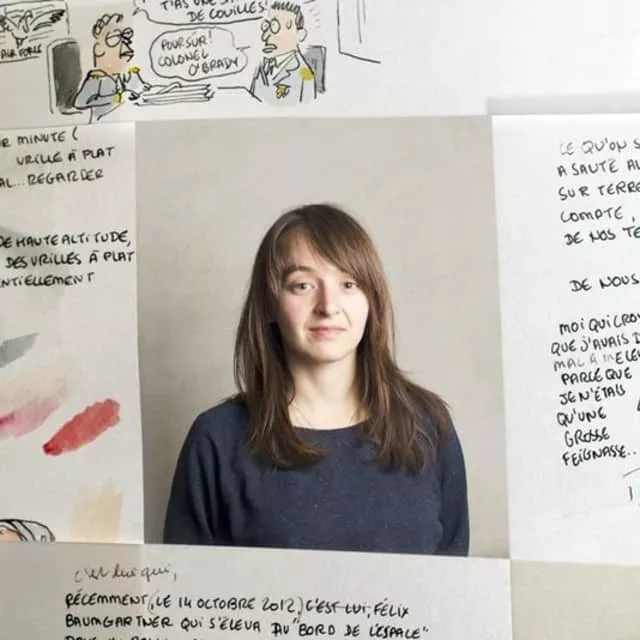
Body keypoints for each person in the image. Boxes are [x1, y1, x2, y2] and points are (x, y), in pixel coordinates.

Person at [163, 203, 469, 555]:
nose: (328, 306)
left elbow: (453, 578)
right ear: (269, 304)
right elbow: (185, 585)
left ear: (372, 301)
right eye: (302, 285)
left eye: (348, 284)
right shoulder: (216, 439)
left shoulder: (428, 427)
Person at [73, 13, 151, 122]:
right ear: (99, 51)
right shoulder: (97, 78)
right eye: (115, 41)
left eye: (125, 42)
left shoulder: (124, 74)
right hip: (102, 123)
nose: (127, 50)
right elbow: (80, 102)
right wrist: (117, 98)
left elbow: (137, 88)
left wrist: (143, 87)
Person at [250, 1, 316, 105]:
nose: (265, 37)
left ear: (300, 34)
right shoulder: (261, 66)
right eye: (266, 27)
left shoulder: (305, 75)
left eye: (275, 27)